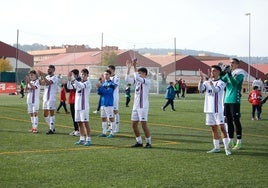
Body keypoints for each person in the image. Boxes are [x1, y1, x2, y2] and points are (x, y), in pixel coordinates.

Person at [199, 65, 231, 156]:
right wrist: (201, 79)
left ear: (219, 72)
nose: (213, 72)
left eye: (215, 71)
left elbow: (216, 90)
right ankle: (216, 147)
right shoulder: (206, 82)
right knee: (213, 128)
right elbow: (200, 89)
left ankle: (226, 148)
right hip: (209, 109)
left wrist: (211, 84)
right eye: (212, 71)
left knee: (222, 128)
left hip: (218, 109)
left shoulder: (221, 82)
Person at [125, 59, 152, 148]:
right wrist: (129, 68)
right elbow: (127, 80)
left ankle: (148, 142)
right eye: (138, 73)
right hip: (135, 106)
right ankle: (139, 142)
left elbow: (136, 77)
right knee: (133, 125)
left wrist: (135, 66)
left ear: (145, 74)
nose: (139, 74)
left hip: (143, 106)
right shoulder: (137, 82)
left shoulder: (147, 81)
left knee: (144, 125)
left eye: (141, 73)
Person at [221, 58, 245, 150]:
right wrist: (222, 72)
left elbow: (234, 83)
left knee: (236, 120)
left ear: (237, 64)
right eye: (230, 63)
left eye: (233, 63)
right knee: (228, 120)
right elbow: (221, 80)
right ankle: (230, 140)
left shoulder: (240, 73)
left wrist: (229, 74)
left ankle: (239, 142)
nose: (231, 64)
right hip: (227, 100)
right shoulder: (228, 73)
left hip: (235, 100)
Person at [67, 68, 92, 146]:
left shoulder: (88, 83)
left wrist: (73, 79)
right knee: (79, 123)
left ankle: (88, 139)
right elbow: (69, 87)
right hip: (77, 106)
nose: (83, 76)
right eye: (82, 74)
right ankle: (81, 139)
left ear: (87, 75)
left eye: (84, 74)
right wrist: (69, 80)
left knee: (85, 123)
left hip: (84, 106)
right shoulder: (78, 82)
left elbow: (81, 85)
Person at [38, 65, 58, 134]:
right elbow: (41, 83)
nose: (48, 70)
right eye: (47, 69)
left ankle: (51, 129)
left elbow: (49, 83)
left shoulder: (55, 77)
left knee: (51, 113)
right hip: (45, 98)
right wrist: (41, 76)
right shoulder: (47, 77)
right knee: (45, 114)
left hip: (51, 98)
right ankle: (52, 127)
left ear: (53, 70)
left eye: (49, 69)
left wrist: (43, 75)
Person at [96, 69, 116, 138]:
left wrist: (101, 87)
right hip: (103, 103)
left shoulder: (112, 84)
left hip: (109, 103)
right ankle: (104, 132)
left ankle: (112, 133)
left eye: (107, 74)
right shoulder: (104, 84)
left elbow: (109, 92)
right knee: (103, 118)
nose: (106, 75)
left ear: (110, 75)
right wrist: (99, 88)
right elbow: (99, 93)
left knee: (111, 118)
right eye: (105, 74)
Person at [66, 69, 80, 137]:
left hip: (77, 101)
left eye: (73, 75)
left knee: (77, 117)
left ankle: (78, 130)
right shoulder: (72, 81)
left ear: (76, 75)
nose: (71, 76)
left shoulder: (78, 82)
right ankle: (76, 129)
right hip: (72, 100)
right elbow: (68, 87)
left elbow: (73, 87)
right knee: (73, 116)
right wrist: (68, 80)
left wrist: (71, 80)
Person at [107, 65, 120, 133]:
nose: (108, 71)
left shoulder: (116, 77)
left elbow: (114, 86)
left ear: (113, 70)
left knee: (115, 112)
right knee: (109, 112)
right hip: (108, 97)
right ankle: (110, 127)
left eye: (109, 70)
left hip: (114, 97)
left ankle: (116, 127)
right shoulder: (107, 78)